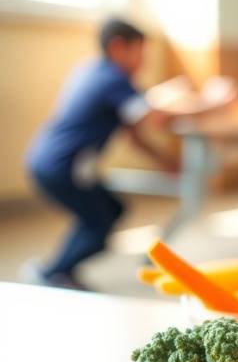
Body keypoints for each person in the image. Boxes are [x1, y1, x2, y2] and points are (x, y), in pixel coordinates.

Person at [24, 17, 180, 290]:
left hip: (48, 160)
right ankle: (54, 273)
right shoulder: (113, 79)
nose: (144, 62)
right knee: (99, 222)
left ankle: (57, 269)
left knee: (110, 210)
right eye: (140, 53)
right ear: (119, 47)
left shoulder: (92, 70)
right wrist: (208, 102)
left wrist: (163, 160)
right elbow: (153, 117)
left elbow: (133, 133)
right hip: (62, 167)